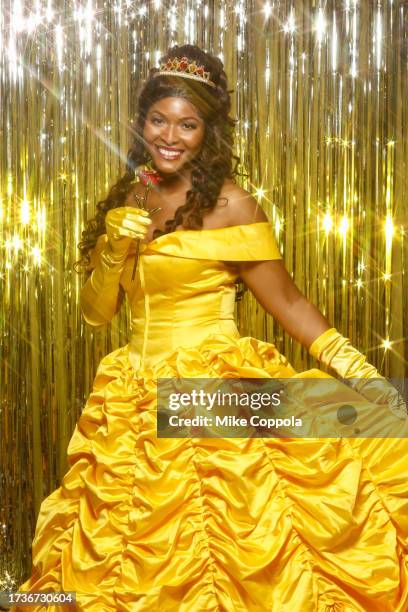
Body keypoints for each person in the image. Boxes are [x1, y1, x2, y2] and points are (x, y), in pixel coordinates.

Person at [12, 44, 408, 612]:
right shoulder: (131, 195)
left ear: (208, 132)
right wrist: (111, 249)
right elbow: (98, 314)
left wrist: (365, 381)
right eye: (159, 120)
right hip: (131, 396)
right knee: (125, 548)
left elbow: (290, 303)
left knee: (235, 547)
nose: (170, 136)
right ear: (141, 123)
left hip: (209, 392)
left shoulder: (232, 205)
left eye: (188, 124)